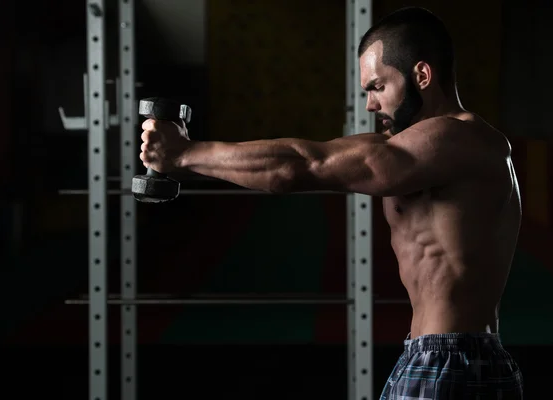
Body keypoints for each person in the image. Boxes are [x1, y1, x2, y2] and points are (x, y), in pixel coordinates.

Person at [139, 6, 524, 400]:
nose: (370, 105)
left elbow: (304, 167)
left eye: (378, 87)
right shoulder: (421, 148)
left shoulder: (462, 141)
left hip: (449, 363)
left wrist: (184, 154)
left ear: (422, 75)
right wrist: (188, 157)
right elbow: (305, 156)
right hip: (447, 356)